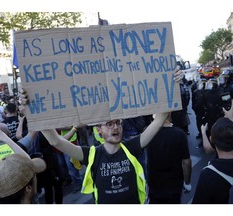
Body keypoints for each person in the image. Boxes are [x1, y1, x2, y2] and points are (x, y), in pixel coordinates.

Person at [20, 68, 183, 204]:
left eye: (118, 123)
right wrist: (33, 110)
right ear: (99, 130)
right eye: (109, 124)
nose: (116, 127)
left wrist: (173, 84)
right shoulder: (91, 154)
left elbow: (160, 118)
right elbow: (55, 140)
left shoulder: (132, 147)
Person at [146, 112, 192, 204]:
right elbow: (186, 162)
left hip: (154, 186)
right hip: (174, 186)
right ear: (169, 114)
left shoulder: (147, 133)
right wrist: (187, 182)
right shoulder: (180, 134)